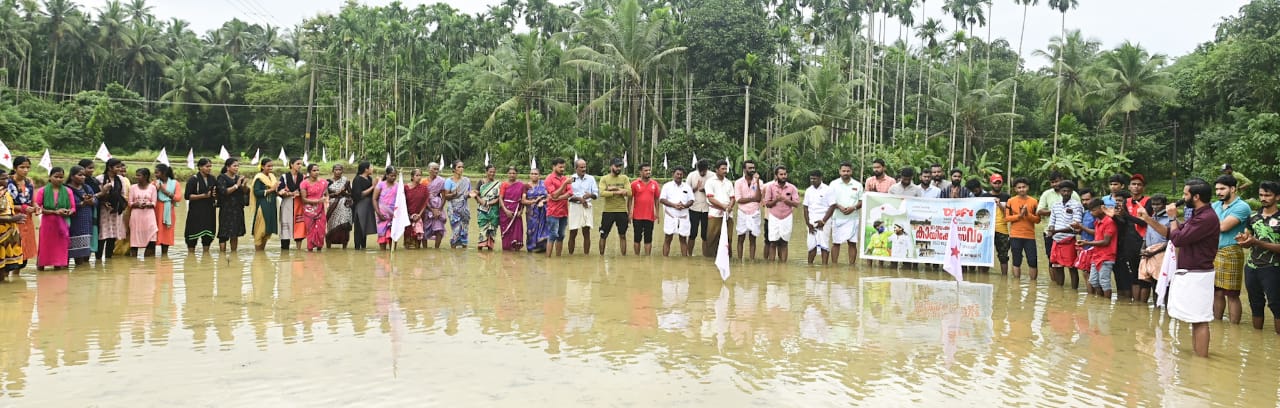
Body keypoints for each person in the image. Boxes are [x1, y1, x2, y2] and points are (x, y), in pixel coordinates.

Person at [1166, 178, 1220, 358]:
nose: (1183, 198)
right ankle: (1199, 359)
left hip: (1198, 273)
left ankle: (1202, 361)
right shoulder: (1198, 215)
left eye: (1185, 194)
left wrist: (1172, 217)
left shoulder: (1206, 218)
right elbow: (1178, 232)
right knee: (1195, 320)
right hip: (1193, 272)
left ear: (1196, 197)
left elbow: (1178, 239)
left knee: (1200, 320)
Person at [1238, 181, 1280, 334]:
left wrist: (1257, 242)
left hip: (1273, 267)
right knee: (1255, 304)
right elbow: (1248, 239)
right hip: (1251, 267)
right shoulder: (1253, 217)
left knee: (1276, 305)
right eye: (1261, 195)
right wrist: (1243, 240)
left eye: (1267, 195)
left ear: (1277, 197)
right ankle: (1257, 339)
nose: (1263, 198)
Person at [1212, 175, 1250, 324]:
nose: (1218, 192)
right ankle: (1217, 326)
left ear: (1233, 189)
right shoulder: (1216, 205)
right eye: (1217, 189)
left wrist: (1208, 220)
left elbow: (1223, 227)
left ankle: (1234, 328)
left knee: (1232, 294)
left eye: (1222, 189)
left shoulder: (1242, 206)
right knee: (1217, 292)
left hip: (1231, 251)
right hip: (1214, 251)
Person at [823, 162, 864, 266]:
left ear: (851, 171)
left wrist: (853, 208)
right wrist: (839, 206)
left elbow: (862, 201)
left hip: (853, 218)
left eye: (848, 171)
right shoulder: (833, 184)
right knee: (836, 243)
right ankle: (834, 265)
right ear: (839, 171)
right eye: (843, 171)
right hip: (837, 218)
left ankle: (852, 266)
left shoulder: (858, 185)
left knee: (852, 243)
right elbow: (829, 200)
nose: (846, 173)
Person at [34, 167, 74, 270]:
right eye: (56, 177)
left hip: (63, 223)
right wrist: (55, 212)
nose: (59, 179)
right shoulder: (42, 191)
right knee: (45, 245)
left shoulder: (68, 191)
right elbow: (38, 207)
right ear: (50, 177)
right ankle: (41, 266)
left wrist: (68, 212)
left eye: (61, 177)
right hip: (47, 223)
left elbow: (73, 208)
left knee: (60, 247)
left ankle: (58, 267)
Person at [1078, 198, 1118, 298]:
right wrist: (1082, 228)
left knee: (1104, 282)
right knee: (1093, 281)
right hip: (1096, 255)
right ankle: (1100, 301)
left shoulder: (1109, 221)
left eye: (1093, 210)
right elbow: (1097, 233)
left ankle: (1107, 302)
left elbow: (1106, 242)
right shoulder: (1098, 221)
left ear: (1101, 208)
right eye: (1090, 211)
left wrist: (1087, 242)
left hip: (1106, 256)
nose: (1091, 213)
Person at [1136, 194, 1173, 304]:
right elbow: (1146, 236)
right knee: (1152, 283)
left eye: (1158, 204)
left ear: (1165, 205)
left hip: (1163, 254)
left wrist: (1154, 252)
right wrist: (1142, 249)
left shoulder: (1170, 220)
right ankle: (1156, 309)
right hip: (1149, 253)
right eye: (1153, 204)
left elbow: (1171, 241)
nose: (1155, 207)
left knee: (1164, 284)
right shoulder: (1151, 218)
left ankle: (1166, 309)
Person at [1047, 180, 1084, 287]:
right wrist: (1050, 231)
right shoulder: (1055, 205)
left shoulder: (1076, 205)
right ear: (1060, 191)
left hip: (1069, 240)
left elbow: (1076, 226)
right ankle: (1060, 290)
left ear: (1072, 191)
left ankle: (1074, 290)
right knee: (1057, 267)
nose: (1066, 193)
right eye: (1063, 191)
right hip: (1056, 240)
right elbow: (1052, 222)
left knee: (1072, 267)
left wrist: (1056, 231)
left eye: (1068, 191)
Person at [1037, 172, 1080, 259]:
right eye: (1052, 182)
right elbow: (1039, 211)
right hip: (1050, 232)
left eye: (1057, 181)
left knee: (1070, 260)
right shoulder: (1047, 194)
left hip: (1068, 234)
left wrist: (1061, 211)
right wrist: (1056, 211)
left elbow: (1079, 211)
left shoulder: (1073, 194)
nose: (1055, 184)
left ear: (1062, 180)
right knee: (1052, 259)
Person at [763, 165, 800, 262]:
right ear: (776, 176)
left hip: (787, 217)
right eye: (781, 174)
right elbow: (767, 204)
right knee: (773, 243)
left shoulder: (792, 188)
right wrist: (776, 200)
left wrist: (785, 200)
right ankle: (771, 266)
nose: (783, 176)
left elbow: (796, 204)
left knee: (784, 242)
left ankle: (783, 266)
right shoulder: (770, 187)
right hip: (774, 217)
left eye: (785, 174)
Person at [1006, 177, 1041, 280]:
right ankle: (1016, 283)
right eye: (1019, 187)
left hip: (1030, 236)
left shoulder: (1034, 201)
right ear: (1015, 189)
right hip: (1015, 235)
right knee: (1016, 261)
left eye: (1023, 187)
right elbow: (1007, 218)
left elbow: (1038, 220)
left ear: (1028, 187)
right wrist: (1019, 216)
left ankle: (1033, 284)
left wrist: (1027, 214)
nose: (1022, 189)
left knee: (1032, 260)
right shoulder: (1010, 201)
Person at [8, 157, 38, 266]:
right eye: (22, 167)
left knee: (24, 255)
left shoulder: (29, 182)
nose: (25, 170)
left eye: (28, 167)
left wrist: (36, 207)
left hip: (27, 219)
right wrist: (22, 208)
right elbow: (5, 204)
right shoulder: (7, 182)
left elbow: (33, 201)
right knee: (13, 249)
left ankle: (17, 274)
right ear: (15, 168)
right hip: (12, 218)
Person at [598, 158, 632, 255]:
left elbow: (629, 193)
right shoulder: (604, 178)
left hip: (622, 211)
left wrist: (614, 188)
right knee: (603, 235)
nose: (618, 168)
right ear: (611, 166)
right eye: (616, 166)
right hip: (608, 211)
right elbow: (602, 193)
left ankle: (623, 257)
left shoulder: (624, 178)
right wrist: (620, 192)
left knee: (622, 235)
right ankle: (601, 257)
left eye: (620, 166)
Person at [703, 160, 736, 258]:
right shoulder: (710, 182)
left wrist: (729, 206)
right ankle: (709, 259)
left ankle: (727, 259)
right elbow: (710, 198)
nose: (725, 171)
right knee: (712, 238)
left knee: (728, 238)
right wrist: (723, 206)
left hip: (728, 214)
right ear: (716, 170)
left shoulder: (728, 182)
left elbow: (732, 198)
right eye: (723, 169)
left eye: (726, 169)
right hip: (715, 213)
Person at [660, 166, 694, 257]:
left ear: (683, 175)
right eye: (677, 174)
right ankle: (665, 260)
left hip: (683, 216)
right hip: (670, 216)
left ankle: (685, 260)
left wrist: (684, 205)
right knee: (668, 238)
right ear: (673, 174)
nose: (679, 176)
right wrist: (674, 205)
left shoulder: (687, 187)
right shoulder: (667, 186)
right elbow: (662, 199)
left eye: (681, 174)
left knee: (683, 239)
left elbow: (691, 200)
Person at [184, 158, 218, 251]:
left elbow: (216, 192)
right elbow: (187, 196)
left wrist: (215, 195)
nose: (209, 168)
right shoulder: (193, 180)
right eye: (207, 166)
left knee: (207, 238)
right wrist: (203, 196)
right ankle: (191, 256)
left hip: (209, 211)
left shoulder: (213, 179)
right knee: (192, 237)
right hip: (196, 212)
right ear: (200, 167)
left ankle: (206, 255)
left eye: (210, 166)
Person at [567, 159, 598, 255]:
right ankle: (570, 255)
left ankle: (586, 256)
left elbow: (596, 195)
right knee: (573, 232)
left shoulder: (591, 178)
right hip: (575, 207)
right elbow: (568, 197)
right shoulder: (570, 179)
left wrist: (590, 195)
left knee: (586, 232)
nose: (584, 169)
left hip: (587, 207)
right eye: (581, 167)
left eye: (585, 167)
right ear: (576, 168)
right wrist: (579, 199)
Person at [733, 160, 762, 260]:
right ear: (744, 170)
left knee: (753, 238)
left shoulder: (759, 182)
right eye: (750, 168)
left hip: (755, 213)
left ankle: (752, 261)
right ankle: (739, 260)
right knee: (741, 237)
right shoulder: (738, 182)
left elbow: (758, 198)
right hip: (742, 213)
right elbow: (739, 200)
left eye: (753, 168)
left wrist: (757, 182)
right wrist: (752, 199)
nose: (752, 170)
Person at [0, 170, 27, 277]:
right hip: (2, 235)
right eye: (3, 179)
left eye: (7, 178)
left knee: (6, 268)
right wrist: (11, 219)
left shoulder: (6, 193)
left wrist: (13, 220)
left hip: (8, 235)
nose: (6, 181)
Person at [218, 158, 249, 252]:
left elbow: (245, 192)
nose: (237, 168)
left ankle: (234, 253)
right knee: (223, 233)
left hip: (237, 208)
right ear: (228, 167)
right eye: (234, 166)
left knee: (235, 233)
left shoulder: (238, 178)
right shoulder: (222, 177)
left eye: (238, 166)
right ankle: (222, 255)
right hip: (226, 209)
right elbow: (223, 191)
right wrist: (237, 185)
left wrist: (244, 185)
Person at [67, 166, 96, 265]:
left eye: (84, 175)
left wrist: (92, 201)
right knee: (68, 251)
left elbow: (95, 200)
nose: (83, 177)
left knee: (83, 253)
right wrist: (81, 204)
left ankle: (80, 270)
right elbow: (65, 204)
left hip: (86, 222)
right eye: (80, 175)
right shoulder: (67, 189)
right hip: (73, 221)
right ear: (72, 176)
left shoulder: (87, 188)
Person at [630, 164, 660, 256]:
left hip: (650, 216)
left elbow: (657, 199)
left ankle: (647, 258)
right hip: (637, 216)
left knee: (648, 238)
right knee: (637, 238)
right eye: (646, 170)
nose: (648, 172)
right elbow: (630, 199)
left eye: (649, 170)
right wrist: (630, 213)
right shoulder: (634, 184)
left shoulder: (655, 184)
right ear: (641, 172)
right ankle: (637, 257)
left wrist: (657, 213)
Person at [544, 158, 572, 257]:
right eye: (560, 167)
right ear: (554, 167)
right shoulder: (549, 179)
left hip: (564, 211)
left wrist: (558, 198)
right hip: (553, 212)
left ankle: (558, 258)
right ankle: (548, 259)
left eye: (563, 167)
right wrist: (564, 184)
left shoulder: (565, 178)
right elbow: (554, 194)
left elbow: (570, 193)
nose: (562, 169)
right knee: (552, 235)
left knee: (561, 235)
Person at [250, 158, 279, 251]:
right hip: (263, 206)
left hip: (271, 206)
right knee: (260, 230)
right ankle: (258, 254)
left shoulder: (272, 177)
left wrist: (280, 191)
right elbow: (257, 192)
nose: (271, 168)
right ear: (262, 166)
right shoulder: (259, 178)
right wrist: (271, 189)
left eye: (272, 166)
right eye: (268, 166)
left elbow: (275, 191)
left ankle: (261, 253)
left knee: (268, 230)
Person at [803, 170, 831, 265]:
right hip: (811, 222)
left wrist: (823, 221)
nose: (812, 180)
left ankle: (824, 267)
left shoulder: (828, 189)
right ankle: (810, 267)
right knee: (811, 246)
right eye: (811, 179)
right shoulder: (808, 190)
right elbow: (805, 207)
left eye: (814, 179)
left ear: (820, 178)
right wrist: (808, 223)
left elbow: (832, 206)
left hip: (824, 222)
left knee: (824, 246)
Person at [128, 168, 159, 257]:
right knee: (135, 239)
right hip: (136, 216)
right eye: (136, 175)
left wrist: (148, 204)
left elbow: (154, 203)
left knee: (152, 237)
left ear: (145, 176)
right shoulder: (133, 187)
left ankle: (149, 262)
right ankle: (133, 262)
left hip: (149, 216)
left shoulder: (152, 187)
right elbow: (130, 203)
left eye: (139, 175)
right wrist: (136, 204)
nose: (136, 177)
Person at [985, 174, 1011, 275]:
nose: (997, 185)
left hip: (1002, 230)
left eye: (999, 182)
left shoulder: (1007, 197)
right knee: (985, 254)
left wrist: (999, 205)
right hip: (986, 230)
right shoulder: (984, 196)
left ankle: (1004, 278)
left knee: (1003, 256)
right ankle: (983, 278)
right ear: (991, 183)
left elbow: (1009, 215)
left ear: (1002, 183)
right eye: (995, 182)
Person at [278, 158, 307, 250]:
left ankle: (298, 250)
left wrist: (300, 193)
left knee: (299, 225)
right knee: (285, 226)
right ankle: (284, 250)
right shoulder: (284, 177)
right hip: (287, 203)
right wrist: (287, 193)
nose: (300, 166)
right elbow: (280, 190)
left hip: (299, 204)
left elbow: (306, 190)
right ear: (291, 164)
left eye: (301, 164)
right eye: (298, 164)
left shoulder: (303, 177)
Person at [153, 164, 181, 256]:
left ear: (164, 173)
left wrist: (164, 191)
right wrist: (156, 189)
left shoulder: (175, 183)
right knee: (154, 234)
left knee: (166, 234)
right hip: (156, 211)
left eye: (157, 172)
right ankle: (152, 258)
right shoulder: (154, 183)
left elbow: (178, 198)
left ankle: (164, 257)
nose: (155, 174)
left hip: (168, 212)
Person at [443, 161, 472, 249]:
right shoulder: (449, 181)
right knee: (456, 230)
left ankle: (463, 252)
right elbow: (446, 196)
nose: (461, 169)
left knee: (464, 231)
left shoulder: (466, 180)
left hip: (464, 209)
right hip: (453, 210)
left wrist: (470, 194)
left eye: (462, 167)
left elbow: (468, 194)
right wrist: (453, 194)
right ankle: (453, 251)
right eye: (459, 167)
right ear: (454, 169)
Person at [299, 164, 328, 252]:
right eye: (314, 170)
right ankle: (310, 251)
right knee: (310, 231)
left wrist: (327, 203)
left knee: (321, 230)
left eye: (317, 170)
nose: (316, 172)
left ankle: (319, 251)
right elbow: (303, 199)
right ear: (309, 172)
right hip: (309, 211)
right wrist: (317, 201)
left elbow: (326, 195)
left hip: (320, 210)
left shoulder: (323, 182)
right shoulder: (304, 183)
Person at [500, 166, 529, 251]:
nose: (512, 175)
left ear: (517, 174)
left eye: (514, 173)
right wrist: (505, 210)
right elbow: (500, 198)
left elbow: (522, 200)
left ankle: (515, 250)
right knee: (506, 233)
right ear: (507, 174)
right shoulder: (504, 184)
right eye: (510, 173)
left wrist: (521, 211)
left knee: (517, 232)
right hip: (505, 212)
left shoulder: (521, 185)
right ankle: (506, 251)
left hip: (517, 211)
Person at [473, 165, 501, 251]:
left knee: (492, 233)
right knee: (482, 232)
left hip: (494, 211)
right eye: (490, 172)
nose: (492, 173)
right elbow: (474, 194)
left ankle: (490, 253)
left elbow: (499, 198)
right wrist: (481, 201)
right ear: (486, 172)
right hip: (482, 211)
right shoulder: (481, 182)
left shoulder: (498, 184)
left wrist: (488, 203)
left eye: (493, 172)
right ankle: (480, 254)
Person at [373, 166, 401, 250]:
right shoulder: (380, 185)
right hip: (382, 215)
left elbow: (401, 201)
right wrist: (378, 213)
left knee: (393, 235)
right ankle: (383, 254)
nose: (393, 177)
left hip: (394, 215)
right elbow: (374, 199)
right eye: (391, 175)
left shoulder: (398, 186)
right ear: (387, 175)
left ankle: (393, 254)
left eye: (395, 176)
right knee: (382, 236)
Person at [351, 161, 377, 250]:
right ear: (366, 169)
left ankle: (363, 248)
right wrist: (373, 187)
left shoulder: (369, 178)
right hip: (360, 205)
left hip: (368, 206)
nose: (372, 169)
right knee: (359, 228)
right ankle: (357, 248)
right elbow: (359, 195)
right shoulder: (357, 179)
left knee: (364, 227)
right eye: (371, 167)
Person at [326, 164, 353, 249]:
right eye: (336, 170)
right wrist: (335, 194)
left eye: (340, 170)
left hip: (344, 206)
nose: (338, 171)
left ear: (342, 171)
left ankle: (344, 246)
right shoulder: (328, 182)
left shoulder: (346, 181)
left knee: (344, 225)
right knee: (331, 225)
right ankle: (329, 246)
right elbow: (326, 195)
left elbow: (351, 194)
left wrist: (344, 193)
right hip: (332, 205)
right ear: (333, 171)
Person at [524, 167, 550, 253]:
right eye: (532, 174)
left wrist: (543, 201)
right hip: (531, 213)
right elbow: (523, 200)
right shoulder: (526, 186)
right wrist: (534, 201)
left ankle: (543, 247)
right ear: (529, 175)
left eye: (536, 174)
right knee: (531, 229)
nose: (534, 175)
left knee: (544, 228)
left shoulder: (544, 184)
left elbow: (550, 197)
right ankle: (531, 248)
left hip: (543, 211)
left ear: (539, 175)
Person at [687, 160, 711, 252]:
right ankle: (689, 254)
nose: (702, 173)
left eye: (704, 171)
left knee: (705, 235)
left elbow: (715, 192)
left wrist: (705, 190)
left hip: (707, 209)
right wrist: (696, 188)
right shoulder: (691, 175)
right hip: (694, 208)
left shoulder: (713, 176)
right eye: (700, 171)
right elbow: (686, 192)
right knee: (692, 233)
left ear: (707, 169)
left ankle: (706, 255)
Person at [422, 163, 447, 248]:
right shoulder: (423, 182)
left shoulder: (441, 181)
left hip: (438, 205)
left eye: (437, 169)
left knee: (439, 228)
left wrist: (439, 209)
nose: (436, 171)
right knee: (424, 228)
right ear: (429, 169)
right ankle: (424, 249)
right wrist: (431, 209)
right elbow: (422, 198)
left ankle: (437, 248)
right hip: (426, 206)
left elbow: (444, 197)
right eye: (434, 169)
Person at [402, 168, 429, 249]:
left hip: (419, 217)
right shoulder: (405, 188)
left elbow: (425, 203)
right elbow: (402, 203)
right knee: (408, 238)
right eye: (417, 175)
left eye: (420, 175)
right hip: (407, 217)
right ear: (412, 177)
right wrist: (408, 215)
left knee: (417, 238)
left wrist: (419, 215)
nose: (419, 177)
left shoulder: (424, 188)